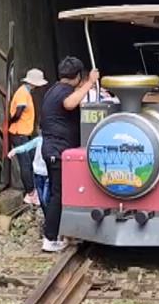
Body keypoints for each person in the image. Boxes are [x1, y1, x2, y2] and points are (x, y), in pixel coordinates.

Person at [40, 56, 99, 252]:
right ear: (77, 76)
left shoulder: (52, 90)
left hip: (51, 149)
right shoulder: (64, 92)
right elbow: (69, 104)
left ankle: (58, 232)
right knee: (59, 195)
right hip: (57, 150)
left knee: (58, 193)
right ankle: (50, 238)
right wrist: (90, 83)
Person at [9, 68, 48, 206]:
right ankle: (30, 193)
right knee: (26, 164)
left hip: (24, 133)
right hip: (19, 133)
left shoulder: (25, 92)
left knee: (29, 163)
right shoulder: (22, 94)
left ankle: (31, 192)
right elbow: (18, 112)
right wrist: (11, 122)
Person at [8, 131, 48, 220]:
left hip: (47, 174)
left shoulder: (52, 142)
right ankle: (46, 215)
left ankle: (48, 216)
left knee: (45, 197)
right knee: (41, 197)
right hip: (38, 172)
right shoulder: (39, 140)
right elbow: (27, 147)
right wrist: (15, 150)